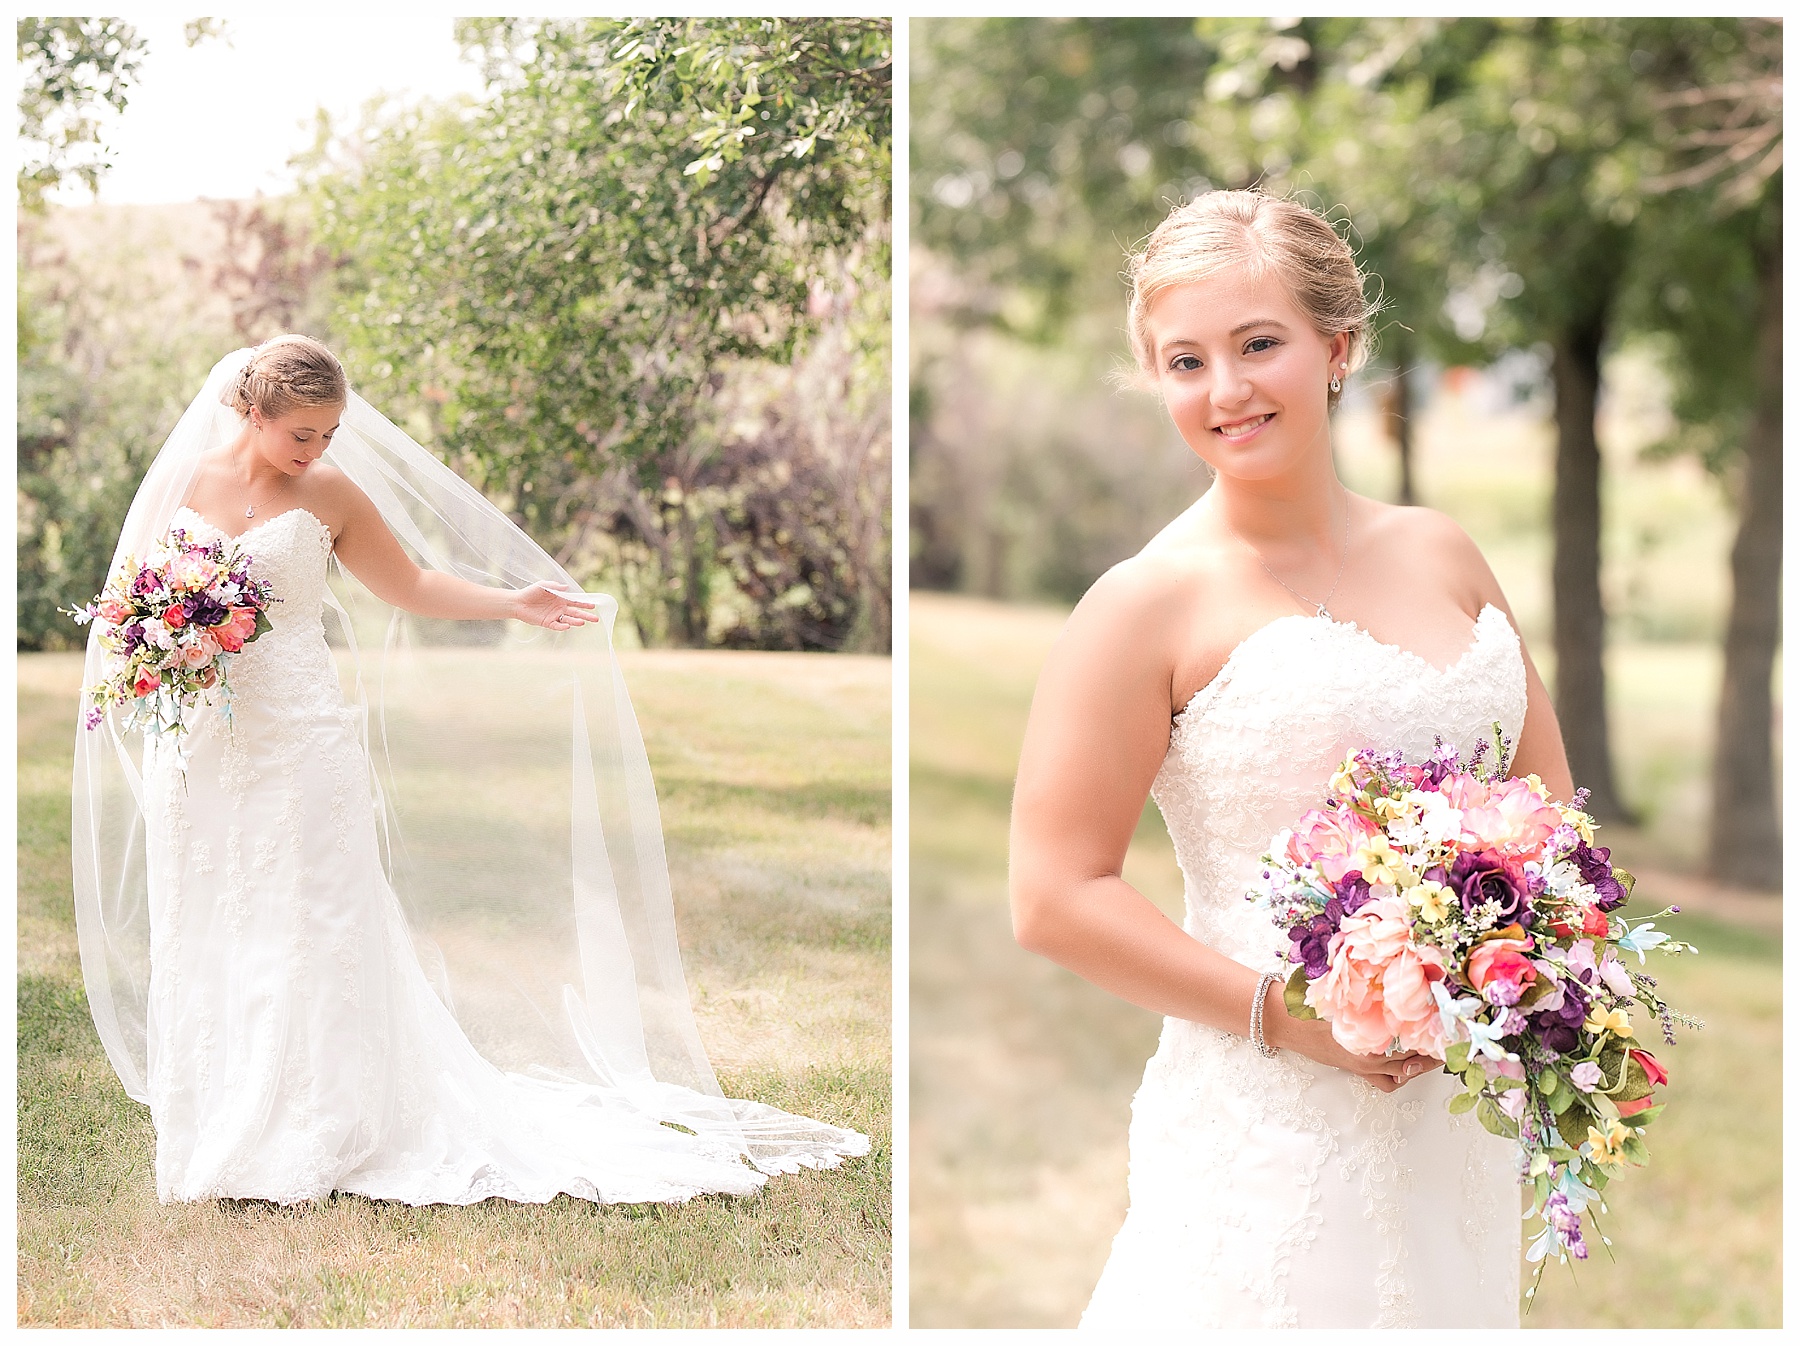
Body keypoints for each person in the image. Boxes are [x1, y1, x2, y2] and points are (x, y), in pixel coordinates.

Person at [73, 335, 868, 1207]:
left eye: (330, 434)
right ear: (251, 412)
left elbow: (409, 583)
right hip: (203, 745)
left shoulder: (329, 493)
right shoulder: (182, 488)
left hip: (302, 737)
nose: (317, 451)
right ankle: (223, 1123)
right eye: (302, 434)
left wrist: (513, 601)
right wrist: (164, 644)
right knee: (214, 917)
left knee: (315, 920)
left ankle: (319, 1128)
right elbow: (124, 612)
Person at [1008, 192, 1573, 1328]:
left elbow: (1551, 810)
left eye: (1258, 343)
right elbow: (1053, 896)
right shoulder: (1142, 604)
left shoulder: (1445, 551)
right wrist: (1293, 1016)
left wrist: (1510, 967)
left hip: (1455, 1111)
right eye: (1185, 360)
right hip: (1269, 1122)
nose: (1225, 391)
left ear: (1338, 346)